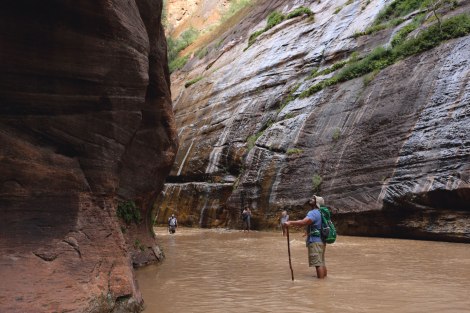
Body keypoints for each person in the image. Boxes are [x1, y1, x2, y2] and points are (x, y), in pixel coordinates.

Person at [284, 195, 327, 279]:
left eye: (314, 199)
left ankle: (320, 285)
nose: (311, 199)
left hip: (315, 241)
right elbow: (316, 225)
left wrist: (290, 223)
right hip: (322, 240)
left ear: (316, 203)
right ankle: (324, 281)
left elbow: (303, 222)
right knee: (321, 262)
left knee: (318, 264)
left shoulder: (313, 212)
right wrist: (308, 232)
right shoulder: (321, 213)